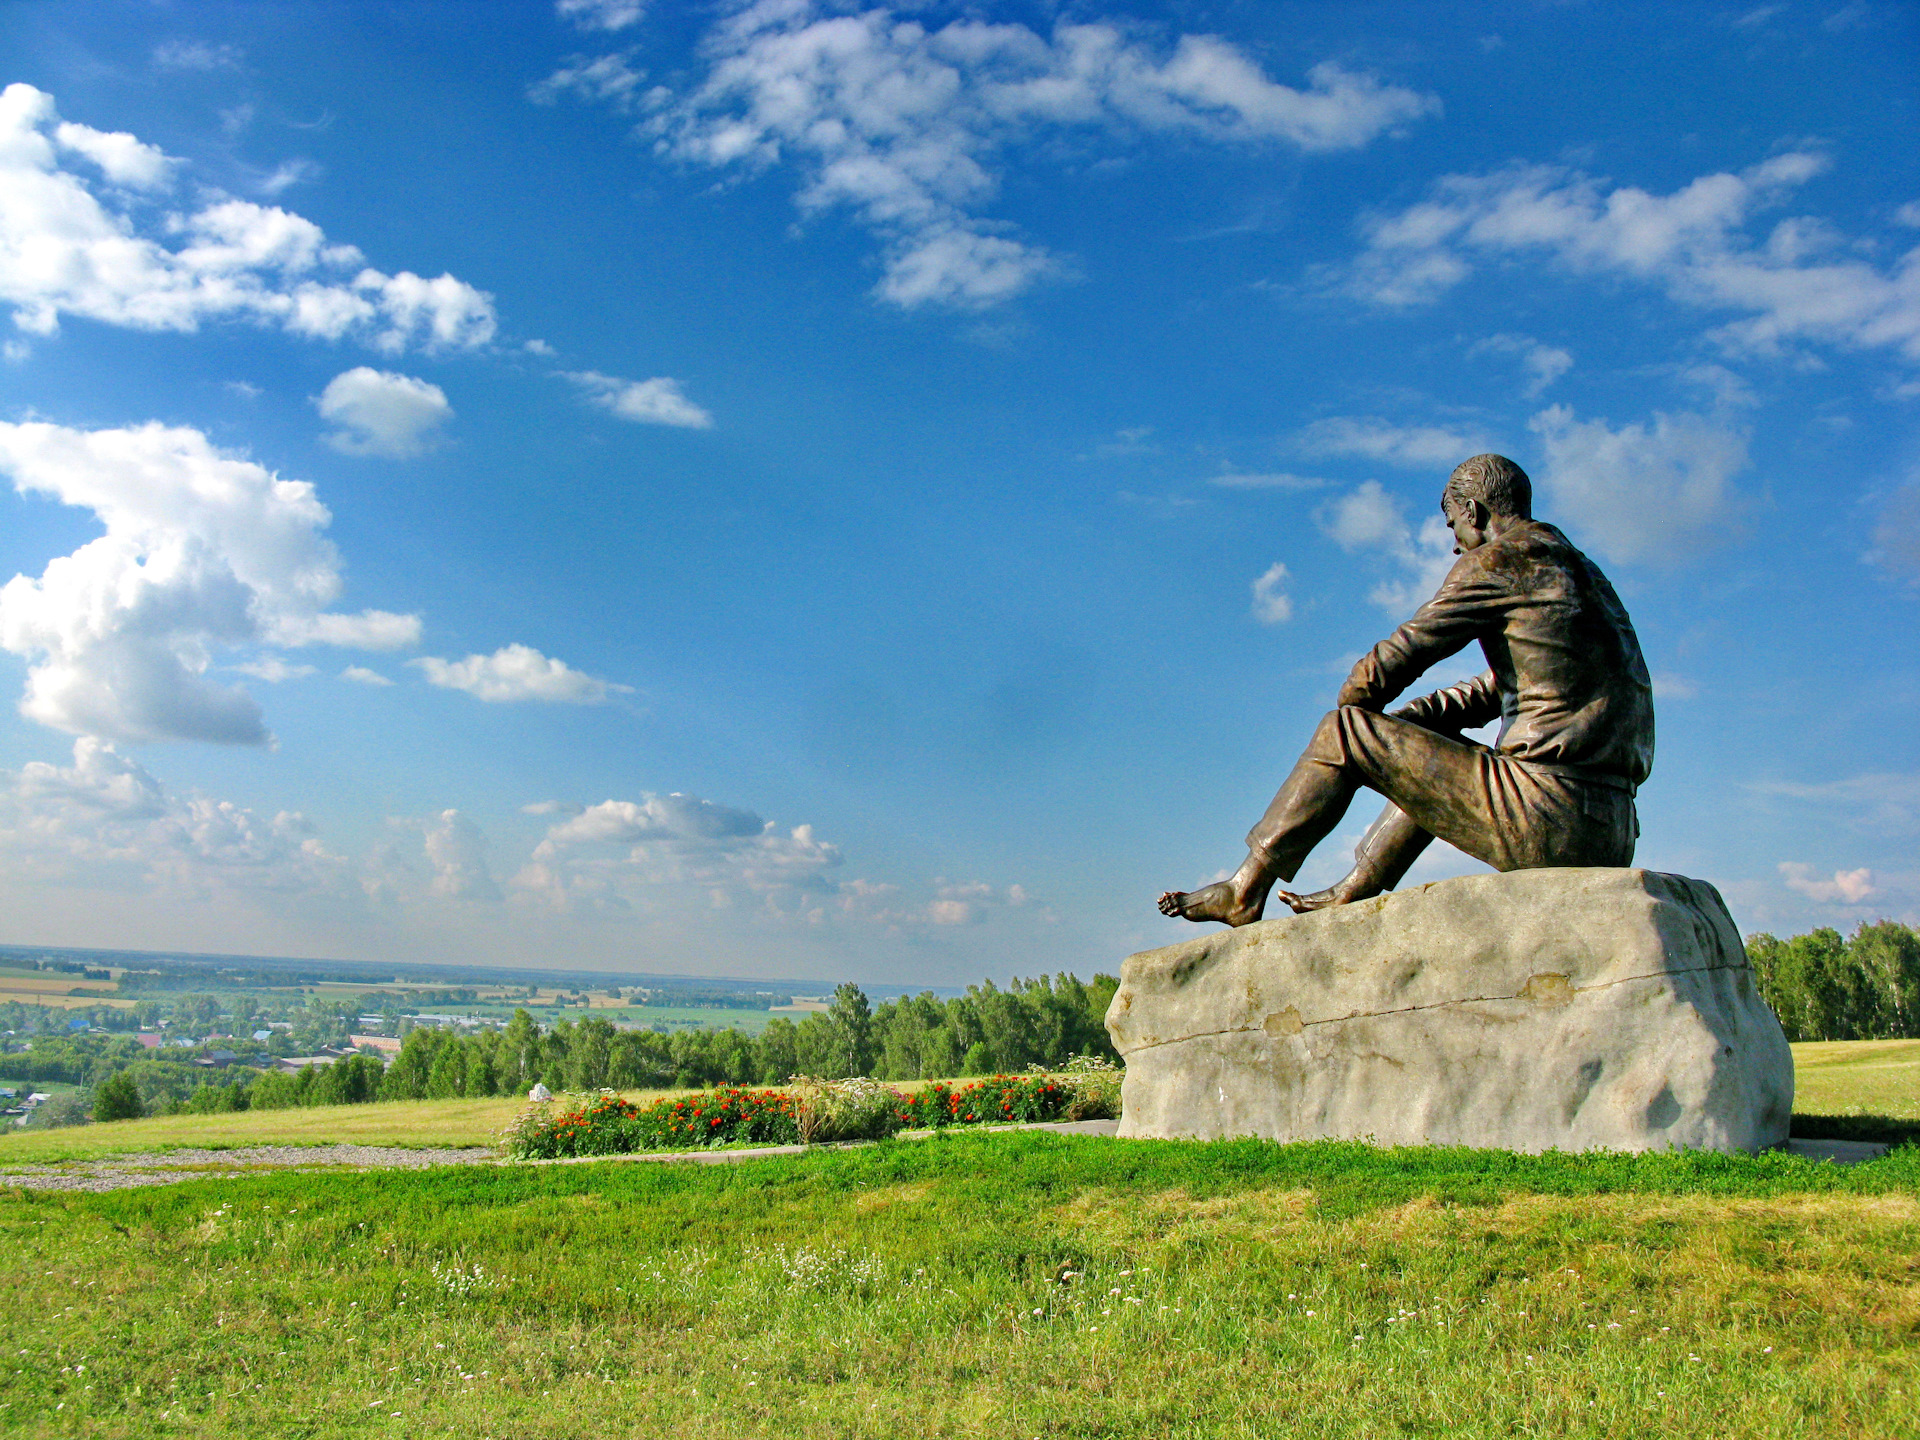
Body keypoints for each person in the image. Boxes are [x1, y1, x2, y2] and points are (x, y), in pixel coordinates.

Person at [1159, 453, 1654, 927]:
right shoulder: (1584, 576)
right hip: (1611, 828)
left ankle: (1244, 892)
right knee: (1427, 751)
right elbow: (1504, 689)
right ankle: (1356, 887)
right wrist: (1411, 724)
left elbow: (1401, 655)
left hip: (1546, 813)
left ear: (1472, 512)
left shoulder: (1498, 563)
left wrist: (1359, 711)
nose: (1455, 544)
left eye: (1453, 526)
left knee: (1344, 731)